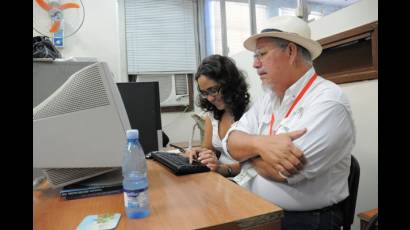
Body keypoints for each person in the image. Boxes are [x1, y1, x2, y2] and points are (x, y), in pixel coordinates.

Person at [221, 16, 356, 230]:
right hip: (260, 208)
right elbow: (230, 142)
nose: (255, 64)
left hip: (304, 220)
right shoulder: (269, 99)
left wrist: (246, 155)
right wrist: (261, 146)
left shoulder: (328, 102)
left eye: (261, 54)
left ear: (291, 52)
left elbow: (284, 172)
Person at [185, 54, 250, 177]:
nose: (210, 98)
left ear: (229, 83)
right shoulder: (213, 114)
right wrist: (198, 153)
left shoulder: (252, 114)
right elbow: (208, 150)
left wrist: (222, 168)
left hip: (243, 181)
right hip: (220, 177)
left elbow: (254, 165)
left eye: (213, 90)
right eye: (204, 93)